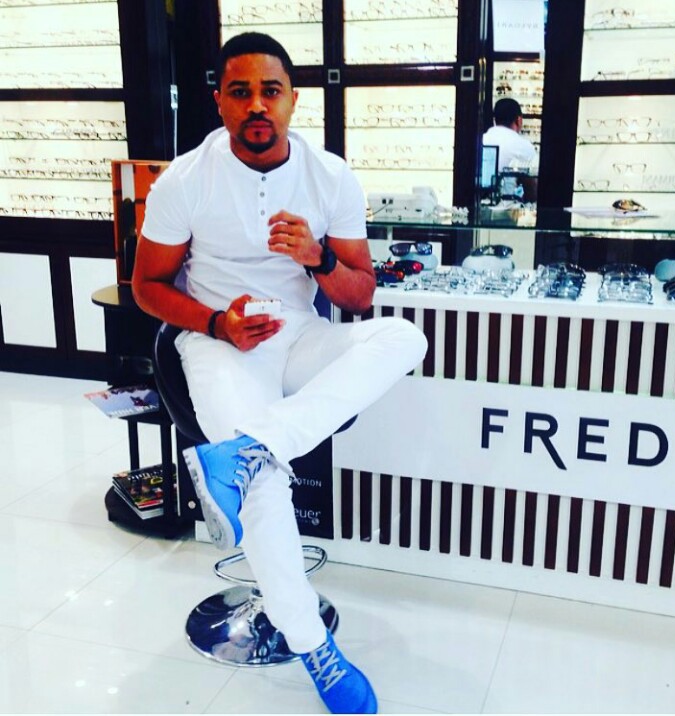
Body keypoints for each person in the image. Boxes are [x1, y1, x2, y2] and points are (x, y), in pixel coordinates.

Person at [131, 31, 427, 715]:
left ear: (293, 99)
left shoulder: (330, 176)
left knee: (404, 337)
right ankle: (315, 648)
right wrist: (216, 322)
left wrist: (318, 258)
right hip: (219, 344)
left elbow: (361, 295)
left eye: (271, 91)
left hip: (299, 336)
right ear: (220, 102)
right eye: (241, 92)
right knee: (264, 487)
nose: (257, 105)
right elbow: (147, 286)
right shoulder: (185, 180)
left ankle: (252, 447)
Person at [482, 97, 538, 202]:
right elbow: (532, 190)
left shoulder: (482, 139)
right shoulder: (524, 146)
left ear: (495, 120)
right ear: (519, 120)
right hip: (508, 206)